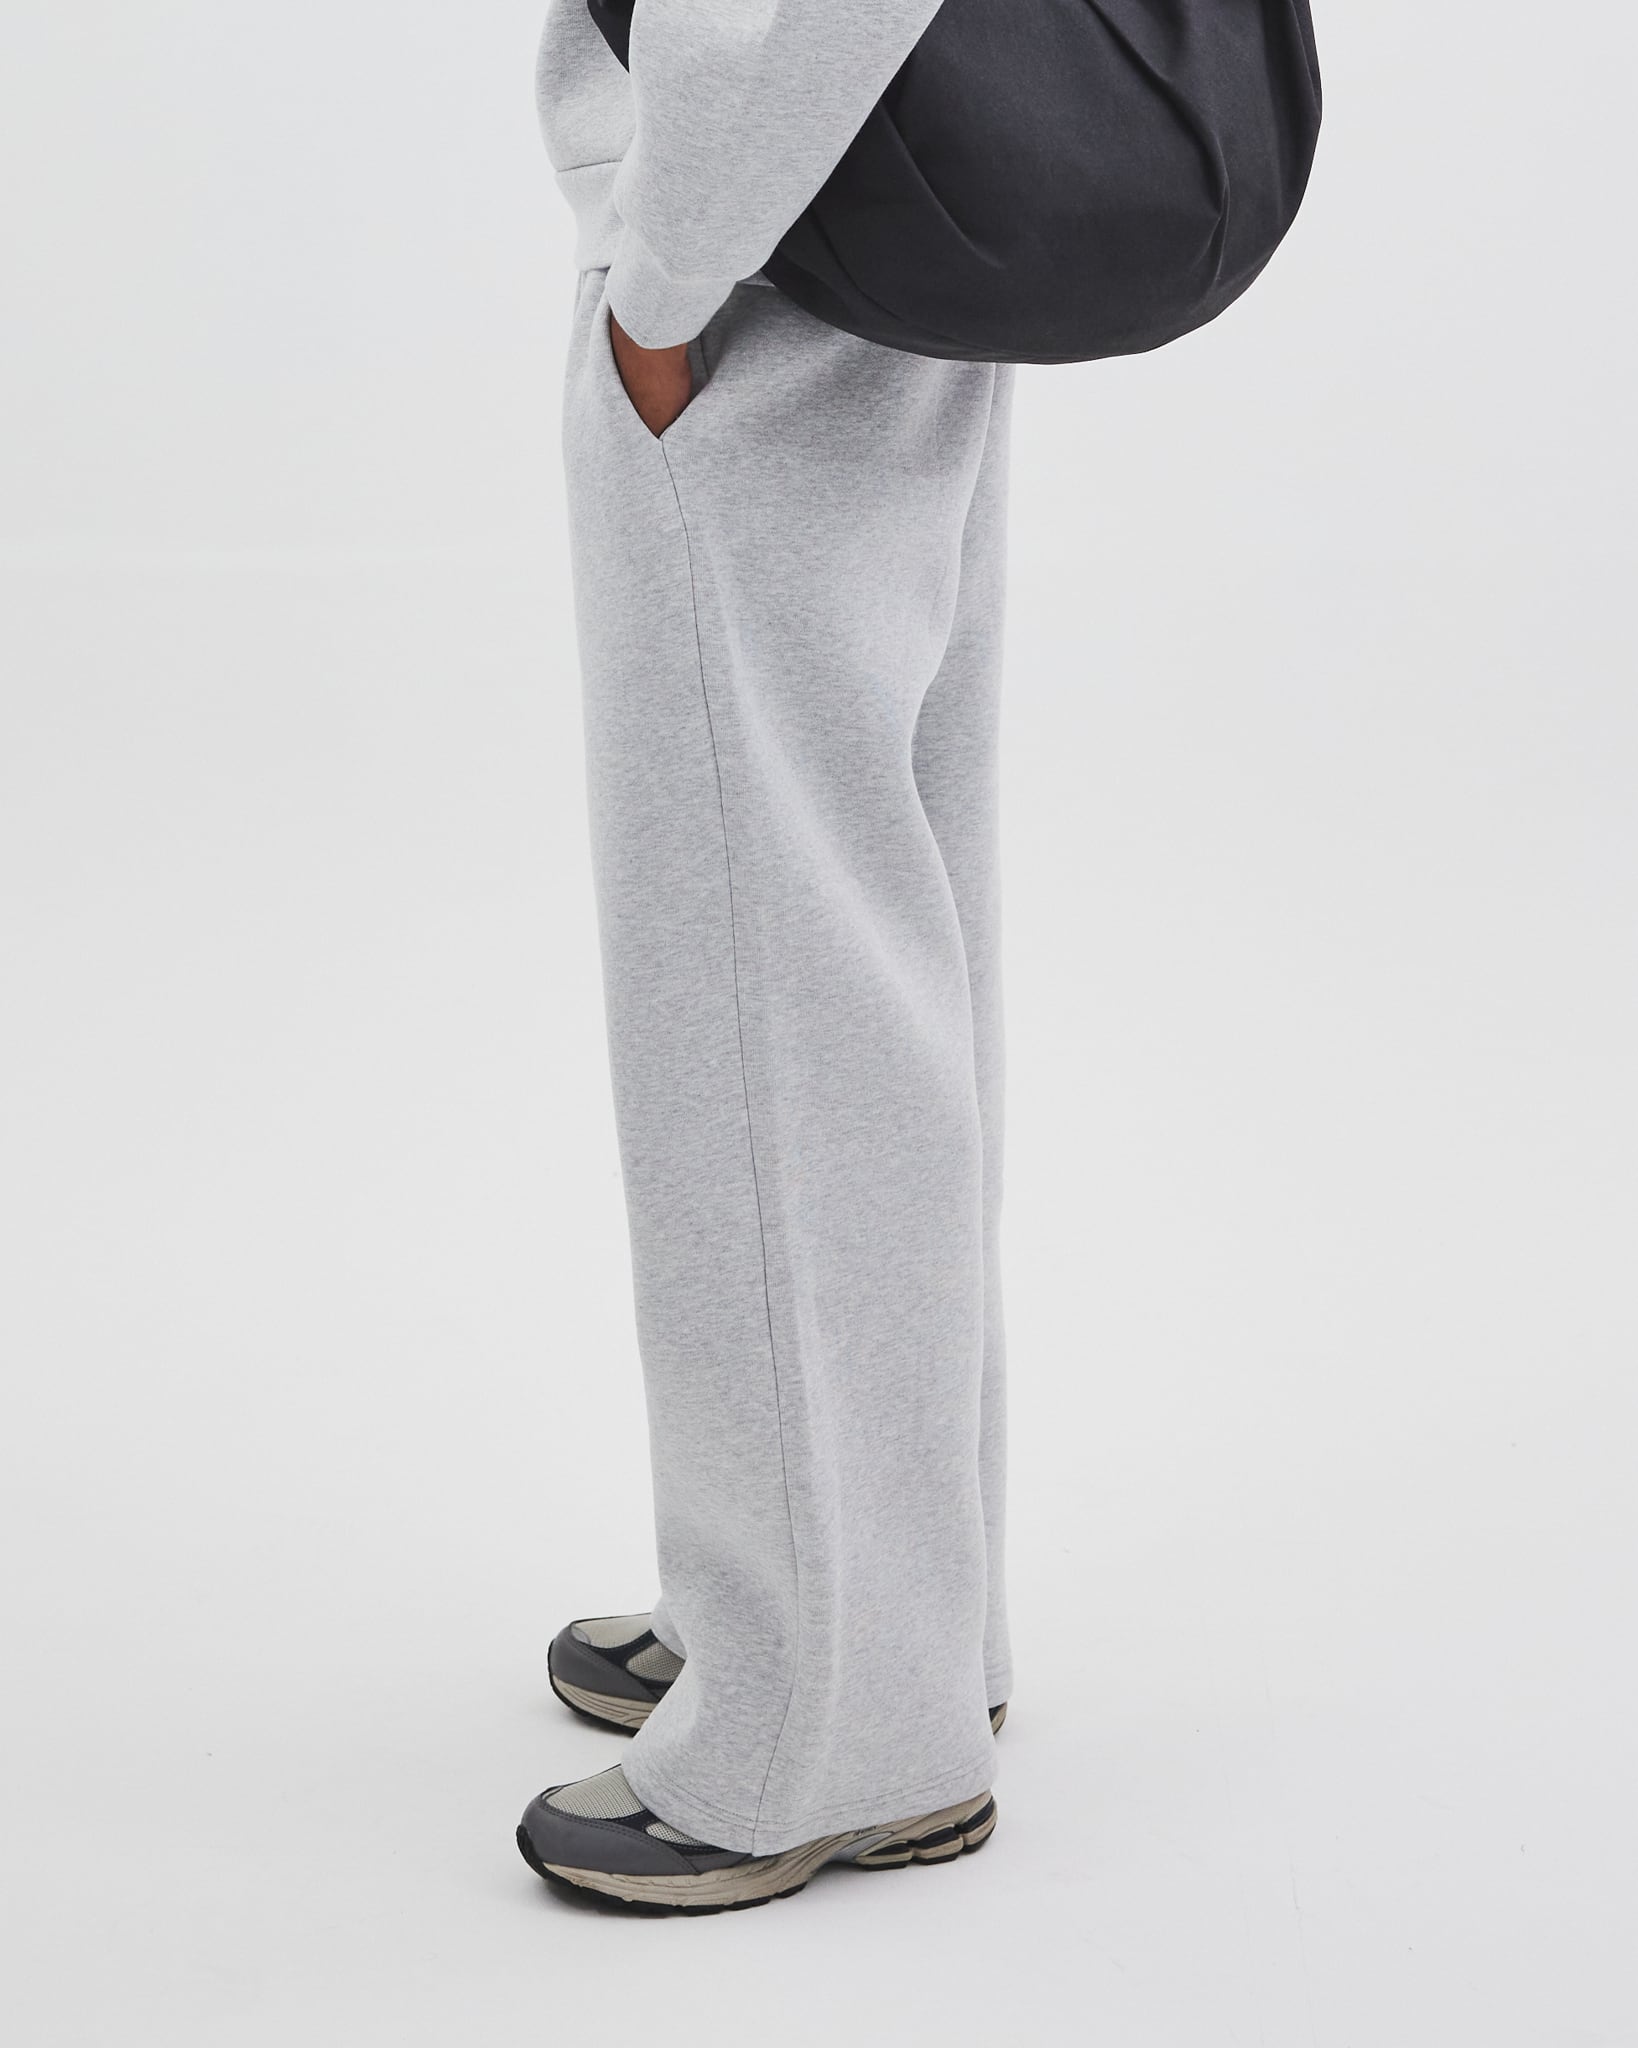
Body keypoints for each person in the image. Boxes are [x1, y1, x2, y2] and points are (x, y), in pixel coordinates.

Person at [515, 0, 1014, 1913]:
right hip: (897, 223)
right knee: (877, 956)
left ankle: (825, 1726)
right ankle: (887, 1627)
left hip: (760, 276)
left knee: (757, 992)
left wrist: (666, 285)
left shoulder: (711, 280)